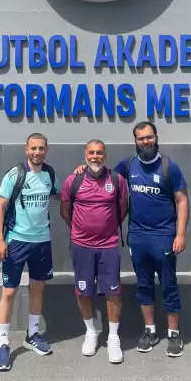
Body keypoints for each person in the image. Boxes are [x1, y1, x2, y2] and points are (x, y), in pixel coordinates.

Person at [74, 121, 189, 358]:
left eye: (149, 137)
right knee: (143, 285)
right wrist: (83, 169)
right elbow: (102, 174)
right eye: (141, 138)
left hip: (164, 236)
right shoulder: (128, 165)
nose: (145, 141)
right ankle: (150, 331)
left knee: (168, 285)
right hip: (137, 236)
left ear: (156, 137)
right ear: (135, 140)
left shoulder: (169, 167)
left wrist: (180, 235)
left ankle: (174, 334)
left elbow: (182, 200)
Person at [0, 133, 61, 371]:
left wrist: (81, 175)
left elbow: (60, 193)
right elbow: (0, 207)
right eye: (33, 148)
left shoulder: (49, 174)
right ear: (26, 150)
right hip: (16, 242)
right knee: (9, 292)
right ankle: (3, 344)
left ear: (46, 150)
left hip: (42, 242)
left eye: (41, 148)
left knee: (37, 288)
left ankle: (32, 335)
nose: (37, 152)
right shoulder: (15, 175)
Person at [60, 139, 128, 363]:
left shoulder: (116, 180)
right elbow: (65, 210)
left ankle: (113, 337)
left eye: (99, 153)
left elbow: (123, 208)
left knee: (113, 291)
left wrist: (105, 227)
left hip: (109, 245)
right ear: (85, 155)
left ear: (105, 155)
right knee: (83, 291)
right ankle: (91, 332)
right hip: (81, 245)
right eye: (91, 153)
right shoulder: (73, 180)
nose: (95, 157)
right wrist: (81, 229)